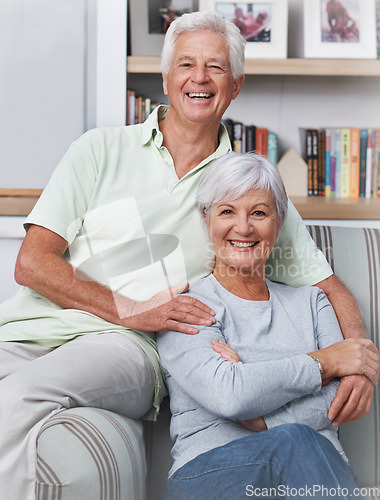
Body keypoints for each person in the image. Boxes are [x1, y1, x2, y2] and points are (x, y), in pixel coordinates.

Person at [0, 10, 376, 499]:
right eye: (186, 65)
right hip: (31, 331)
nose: (200, 78)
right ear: (165, 77)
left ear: (236, 85)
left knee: (18, 397)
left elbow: (328, 286)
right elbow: (32, 263)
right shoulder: (98, 150)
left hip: (124, 348)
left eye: (216, 68)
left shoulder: (240, 187)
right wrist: (132, 306)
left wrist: (361, 359)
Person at [157, 152, 379, 500]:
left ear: (279, 220)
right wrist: (326, 361)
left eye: (258, 213)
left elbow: (339, 399)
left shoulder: (313, 302)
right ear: (206, 219)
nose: (243, 228)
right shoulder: (187, 306)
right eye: (227, 211)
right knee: (294, 440)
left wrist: (262, 416)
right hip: (210, 475)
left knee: (296, 442)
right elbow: (230, 394)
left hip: (314, 478)